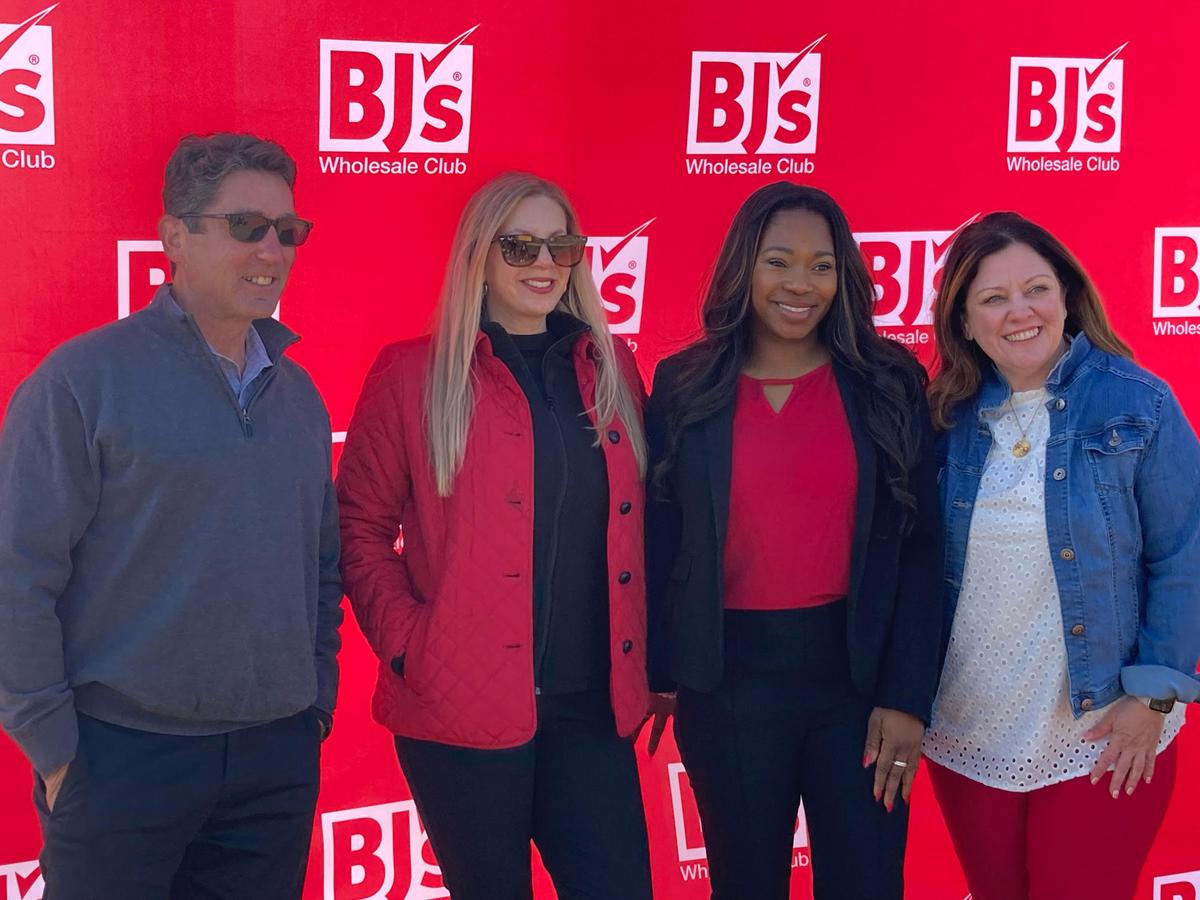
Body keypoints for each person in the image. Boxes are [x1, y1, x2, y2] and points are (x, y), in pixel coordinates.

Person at [0, 132, 342, 899]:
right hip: (121, 761)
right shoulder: (82, 382)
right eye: (246, 226)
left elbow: (321, 565)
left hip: (273, 762)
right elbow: (15, 576)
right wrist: (56, 752)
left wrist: (311, 703)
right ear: (174, 236)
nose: (273, 249)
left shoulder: (301, 398)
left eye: (288, 230)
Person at [336, 172, 653, 900]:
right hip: (459, 711)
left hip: (592, 707)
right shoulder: (414, 374)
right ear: (479, 254)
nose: (544, 264)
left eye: (562, 245)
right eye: (520, 246)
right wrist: (414, 643)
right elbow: (359, 525)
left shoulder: (611, 371)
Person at [644, 182, 942, 899]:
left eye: (822, 265)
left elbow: (924, 549)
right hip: (727, 691)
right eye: (779, 262)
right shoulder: (683, 384)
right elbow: (659, 537)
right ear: (744, 267)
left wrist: (908, 697)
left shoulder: (889, 380)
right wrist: (656, 670)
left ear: (845, 277)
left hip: (859, 686)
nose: (799, 285)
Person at [925, 211, 1199, 899]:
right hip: (969, 729)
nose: (1020, 312)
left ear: (1067, 296)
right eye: (993, 298)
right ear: (963, 320)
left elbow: (1185, 553)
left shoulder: (1137, 403)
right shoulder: (940, 418)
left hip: (1102, 729)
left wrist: (1155, 695)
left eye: (1036, 289)